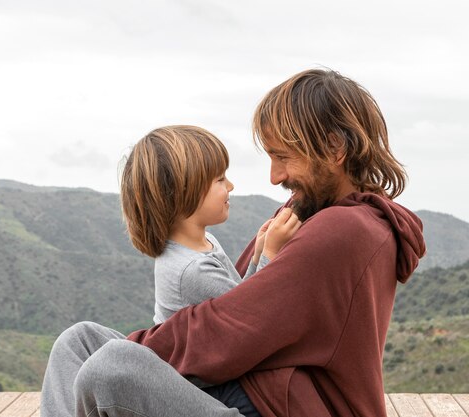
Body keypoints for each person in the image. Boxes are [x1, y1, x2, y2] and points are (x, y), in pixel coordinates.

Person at [41, 68, 426, 417]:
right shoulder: (312, 213)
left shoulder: (341, 230)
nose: (274, 177)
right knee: (79, 342)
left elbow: (228, 327)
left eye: (282, 157)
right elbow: (237, 302)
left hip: (280, 407)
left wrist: (139, 353)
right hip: (250, 391)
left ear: (334, 149)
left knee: (111, 368)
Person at [119, 125, 300, 326]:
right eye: (220, 179)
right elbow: (251, 317)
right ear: (185, 193)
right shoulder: (194, 270)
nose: (231, 186)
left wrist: (257, 257)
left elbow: (237, 296)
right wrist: (271, 253)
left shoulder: (204, 243)